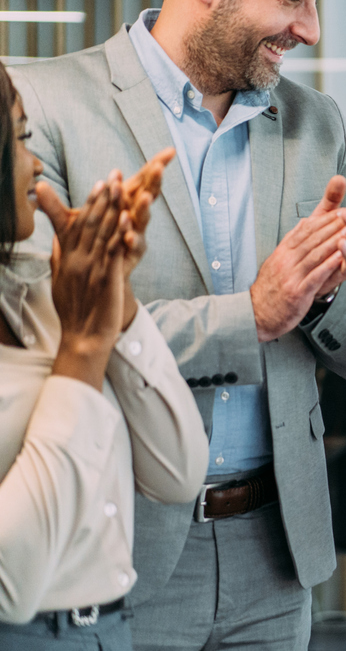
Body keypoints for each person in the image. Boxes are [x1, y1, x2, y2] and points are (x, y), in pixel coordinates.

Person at [12, 0, 346, 650]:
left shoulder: (317, 126)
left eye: (315, 1)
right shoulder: (43, 108)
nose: (311, 29)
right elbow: (46, 333)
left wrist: (322, 296)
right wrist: (252, 316)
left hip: (276, 550)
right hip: (118, 539)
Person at [0, 64, 208, 650]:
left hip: (111, 630)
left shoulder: (39, 287)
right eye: (18, 139)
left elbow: (177, 473)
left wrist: (116, 302)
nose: (36, 164)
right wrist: (83, 349)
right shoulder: (68, 323)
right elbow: (10, 583)